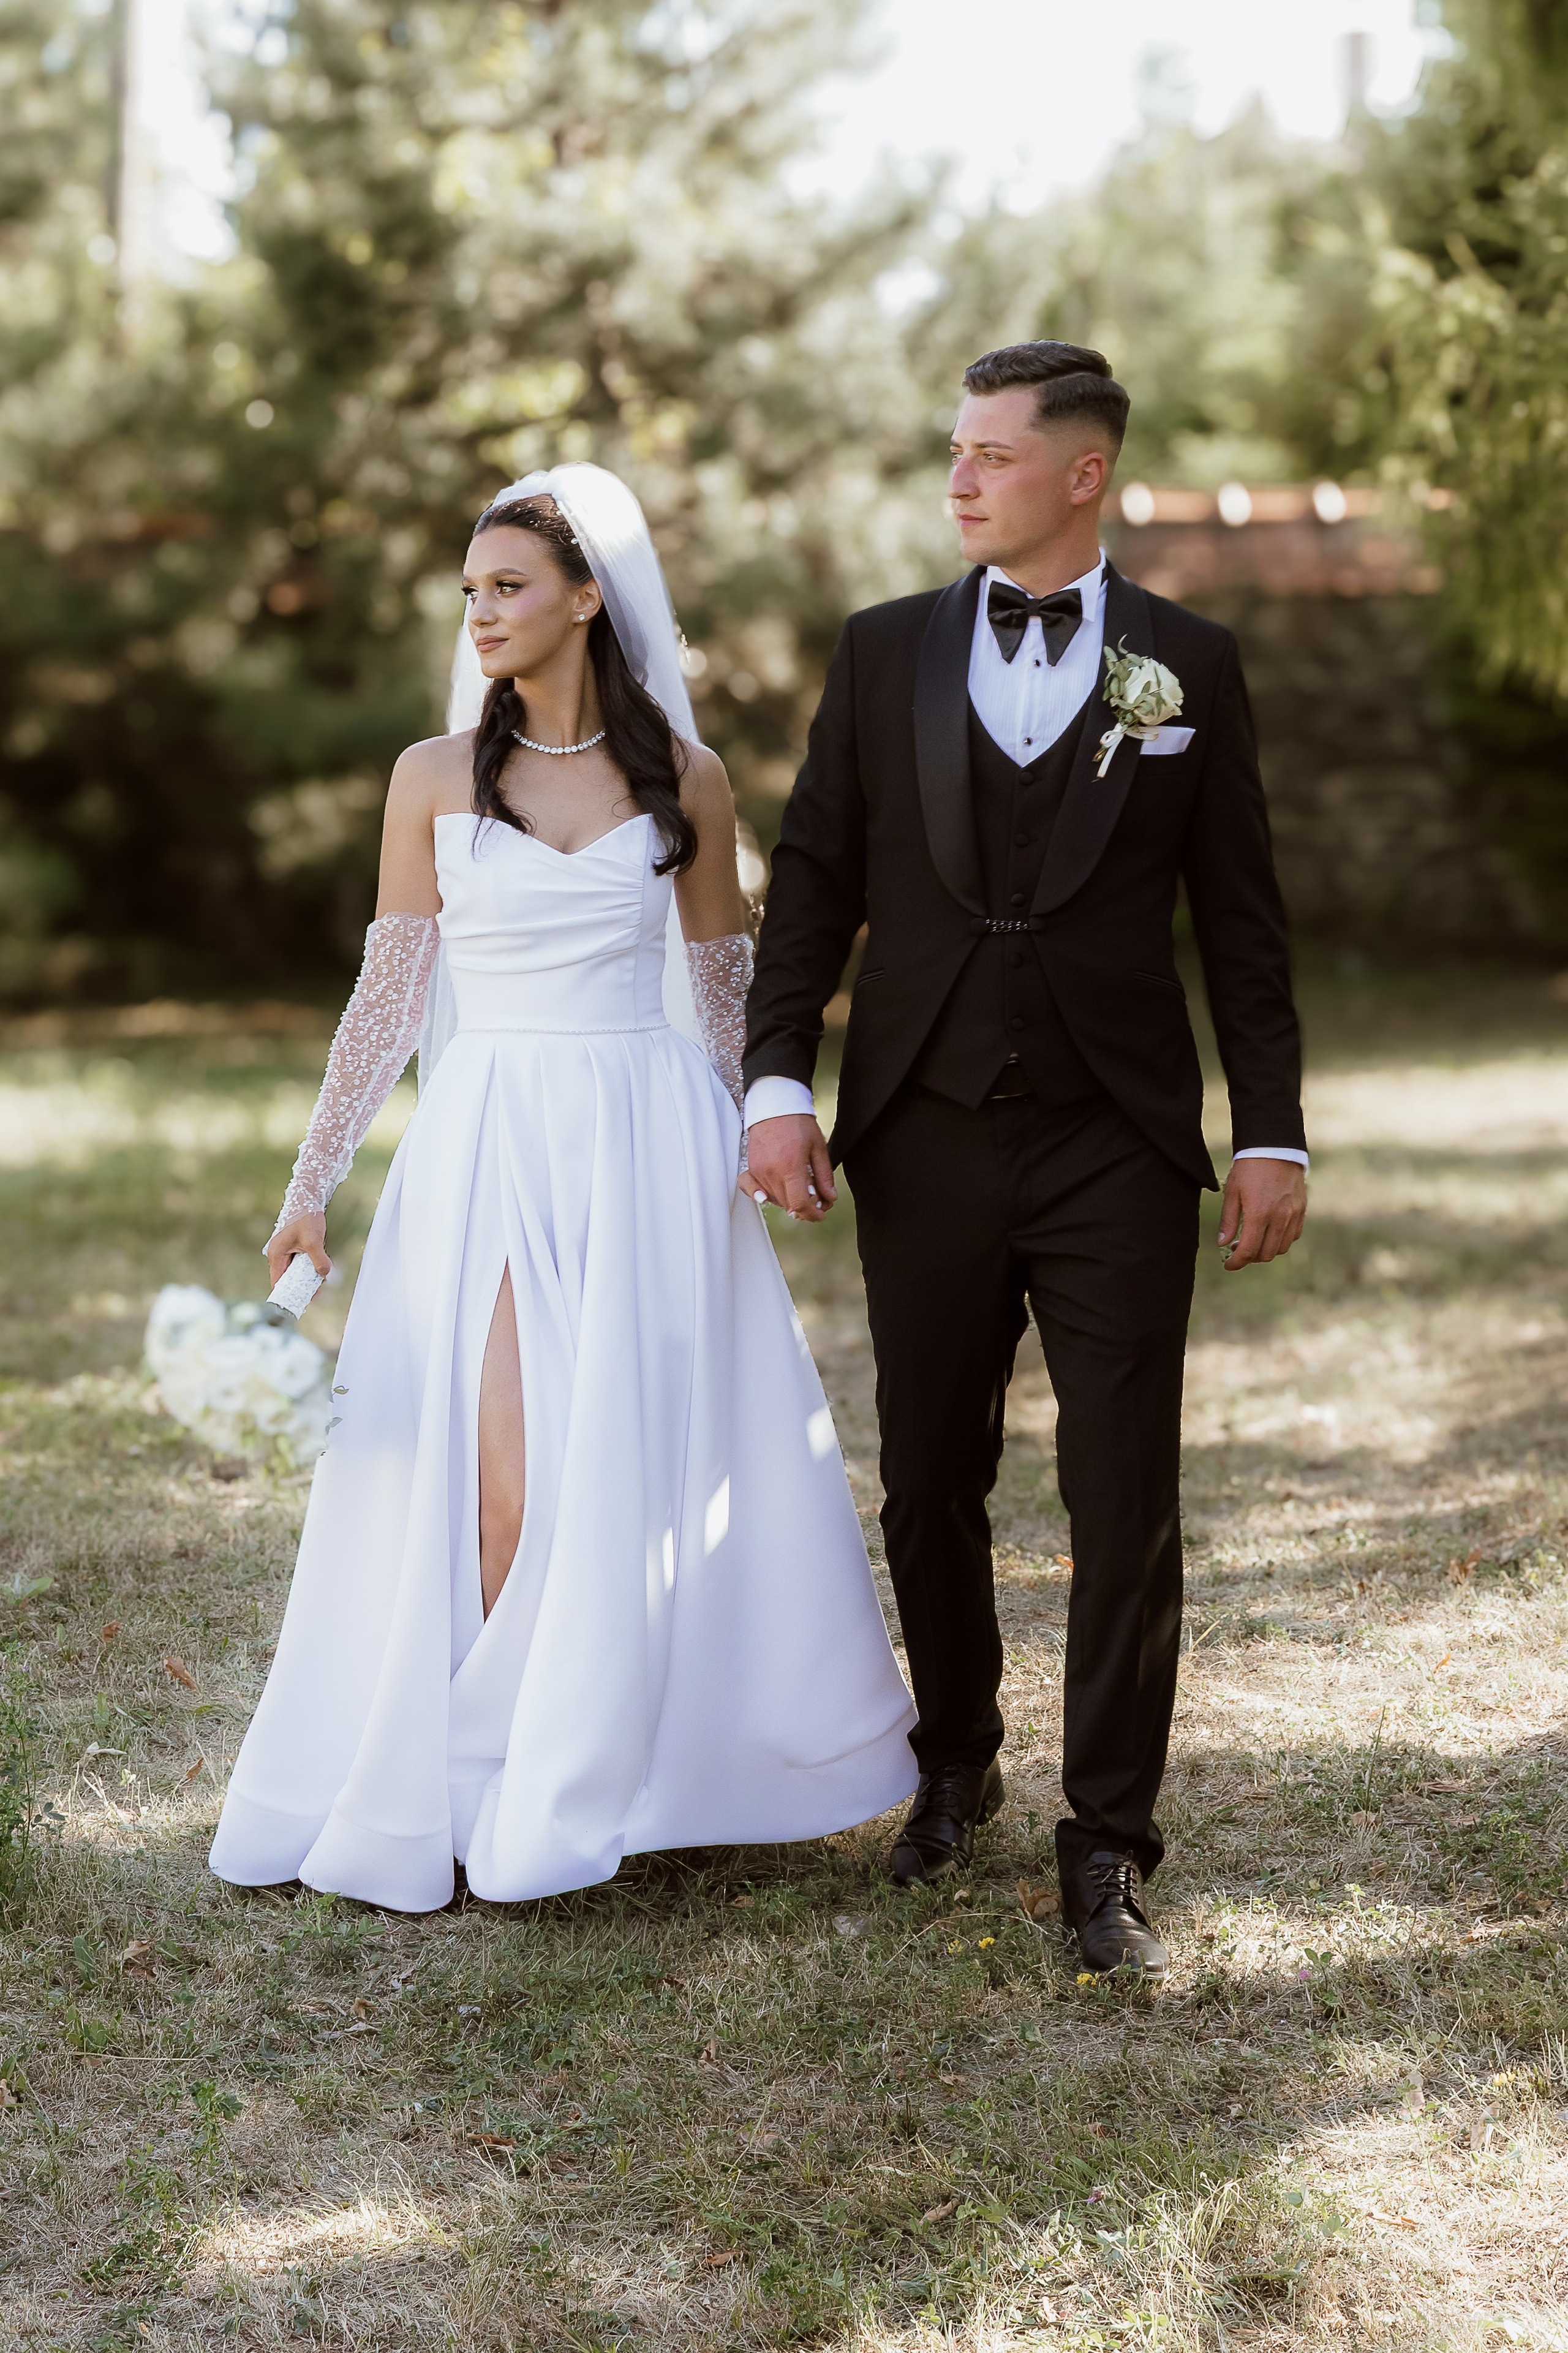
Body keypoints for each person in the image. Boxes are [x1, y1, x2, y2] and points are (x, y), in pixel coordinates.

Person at [209, 464, 916, 1916]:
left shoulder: (687, 782)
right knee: (498, 1473)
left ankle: (606, 1763)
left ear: (588, 596)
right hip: (486, 1144)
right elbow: (387, 1000)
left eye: (510, 585)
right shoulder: (429, 777)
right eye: (470, 589)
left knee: (629, 1466)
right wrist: (312, 1180)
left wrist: (763, 1133)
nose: (481, 611)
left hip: (648, 1147)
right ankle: (469, 1779)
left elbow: (727, 996)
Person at [742, 344, 1308, 1977]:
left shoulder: (1186, 664)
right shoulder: (885, 654)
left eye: (993, 454)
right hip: (919, 1128)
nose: (960, 479)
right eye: (955, 449)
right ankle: (956, 1760)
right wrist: (778, 1084)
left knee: (1125, 1490)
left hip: (1117, 1139)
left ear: (1085, 474)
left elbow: (1246, 926)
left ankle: (1110, 1837)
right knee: (930, 1474)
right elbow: (812, 889)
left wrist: (1266, 1127)